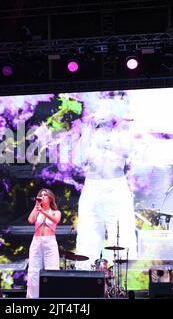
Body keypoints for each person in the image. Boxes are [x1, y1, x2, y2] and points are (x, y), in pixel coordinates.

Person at [75, 94, 138, 270]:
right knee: (88, 237)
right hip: (92, 186)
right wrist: (89, 128)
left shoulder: (123, 128)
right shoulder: (89, 129)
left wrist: (107, 142)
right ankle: (86, 278)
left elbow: (126, 151)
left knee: (122, 237)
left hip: (115, 186)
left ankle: (125, 284)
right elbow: (82, 158)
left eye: (106, 108)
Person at [26, 188, 61, 298]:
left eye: (45, 195)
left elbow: (56, 220)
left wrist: (43, 212)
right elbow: (30, 220)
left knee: (52, 270)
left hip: (49, 242)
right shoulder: (37, 210)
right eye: (40, 195)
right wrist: (37, 206)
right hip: (36, 241)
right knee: (33, 272)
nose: (42, 197)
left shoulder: (56, 212)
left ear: (50, 198)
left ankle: (51, 298)